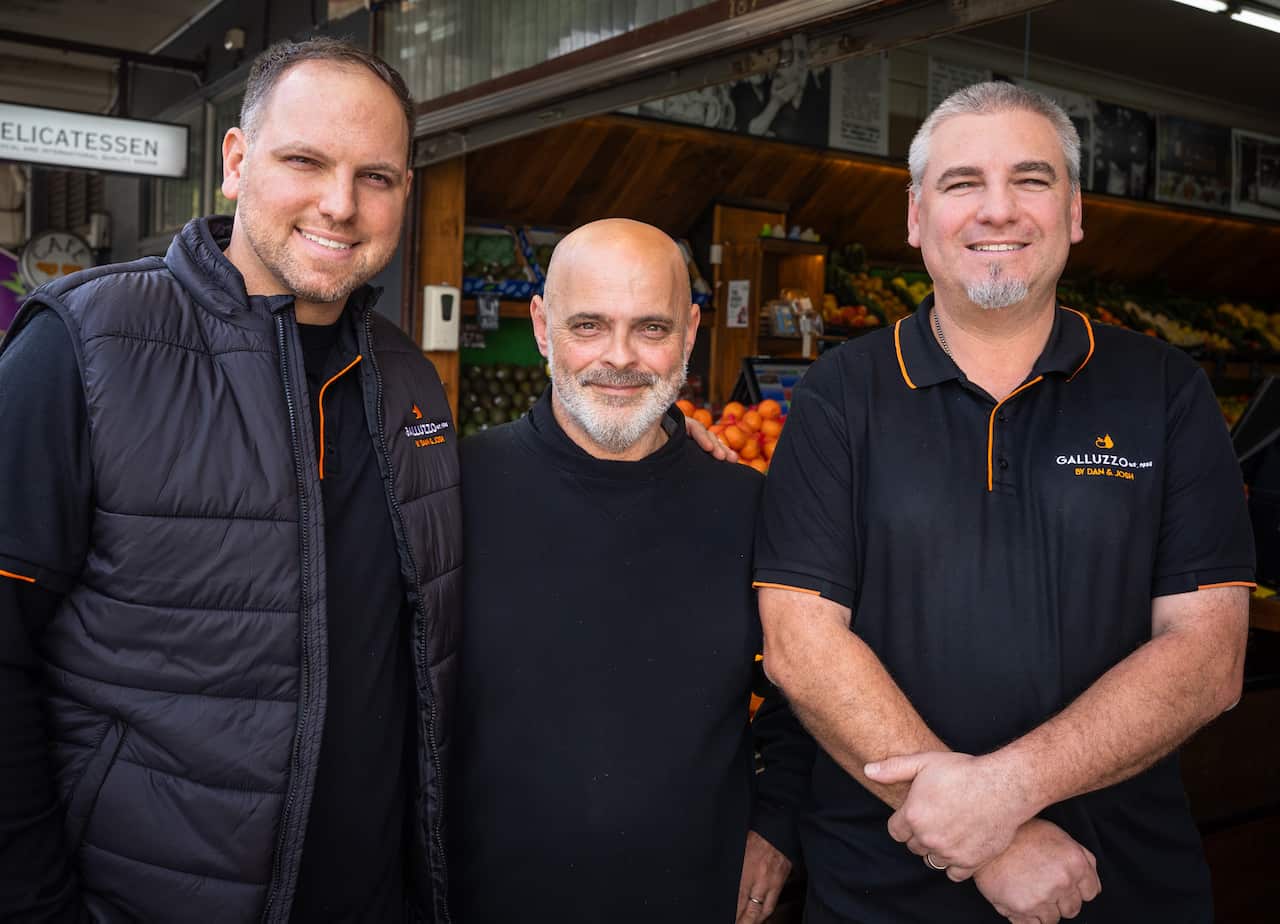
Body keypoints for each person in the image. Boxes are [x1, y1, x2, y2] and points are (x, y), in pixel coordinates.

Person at [754, 81, 1254, 924]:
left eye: (1031, 179)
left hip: (1115, 883)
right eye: (961, 184)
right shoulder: (841, 392)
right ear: (915, 217)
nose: (998, 211)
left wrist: (1004, 794)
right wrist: (999, 838)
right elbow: (801, 645)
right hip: (885, 894)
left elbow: (1207, 655)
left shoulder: (1165, 389)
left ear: (1074, 209)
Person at [0, 38, 461, 922]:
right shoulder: (85, 346)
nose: (340, 204)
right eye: (304, 161)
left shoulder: (410, 383)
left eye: (377, 176)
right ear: (236, 162)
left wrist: (665, 441)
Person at [450, 219, 800, 923]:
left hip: (698, 900)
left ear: (692, 332)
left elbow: (807, 686)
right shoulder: (455, 490)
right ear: (543, 328)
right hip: (483, 898)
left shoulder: (748, 506)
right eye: (589, 325)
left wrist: (778, 825)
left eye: (651, 328)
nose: (620, 358)